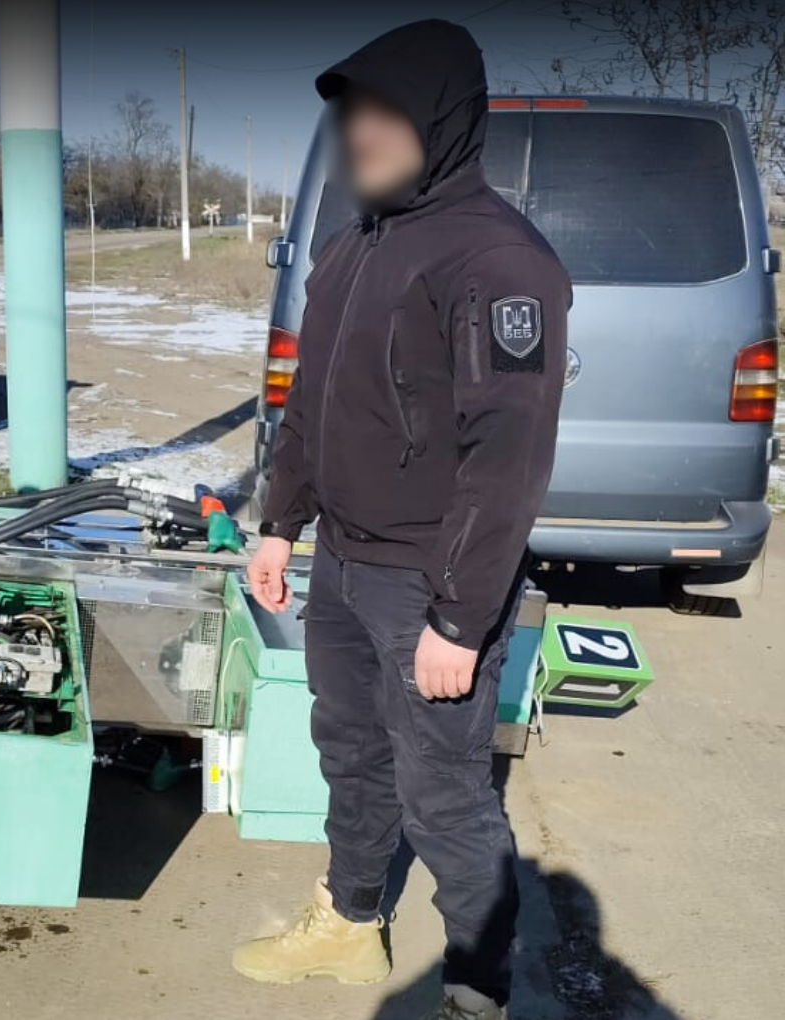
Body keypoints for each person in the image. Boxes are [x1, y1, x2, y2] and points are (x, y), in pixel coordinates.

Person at [233, 19, 570, 1020]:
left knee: (445, 792)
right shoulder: (350, 246)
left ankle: (474, 989)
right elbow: (307, 407)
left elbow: (507, 459)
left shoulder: (498, 260)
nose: (362, 135)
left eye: (387, 114)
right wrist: (279, 523)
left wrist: (458, 619)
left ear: (442, 118)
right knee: (351, 755)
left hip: (428, 581)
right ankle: (347, 923)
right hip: (342, 563)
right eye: (353, 117)